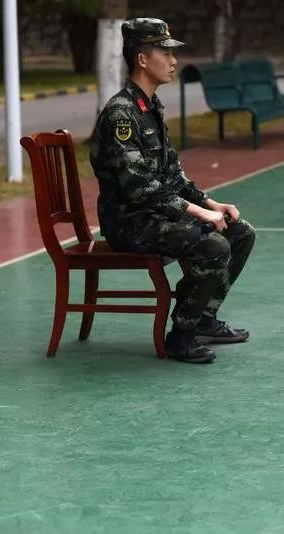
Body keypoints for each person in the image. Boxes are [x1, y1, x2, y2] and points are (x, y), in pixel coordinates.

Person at [90, 18, 256, 364]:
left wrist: (212, 203)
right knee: (213, 245)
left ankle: (204, 319)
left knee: (240, 232)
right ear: (142, 59)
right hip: (130, 222)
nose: (173, 60)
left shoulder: (150, 108)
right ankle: (180, 337)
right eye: (164, 52)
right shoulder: (122, 114)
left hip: (154, 215)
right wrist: (197, 213)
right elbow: (139, 188)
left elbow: (172, 177)